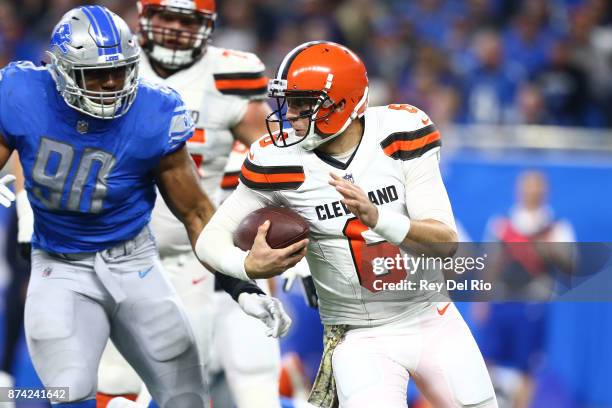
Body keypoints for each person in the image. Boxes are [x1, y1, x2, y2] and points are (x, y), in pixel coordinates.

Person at [0, 6, 288, 408]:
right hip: (61, 262)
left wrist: (239, 284)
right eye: (97, 74)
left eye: (121, 70)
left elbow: (196, 213)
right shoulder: (19, 92)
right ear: (62, 71)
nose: (113, 84)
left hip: (134, 260)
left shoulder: (154, 110)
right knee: (69, 390)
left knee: (187, 392)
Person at [197, 41, 498, 408]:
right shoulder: (275, 160)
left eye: (303, 104)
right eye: (288, 102)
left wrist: (378, 218)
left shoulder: (400, 132)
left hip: (431, 318)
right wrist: (247, 267)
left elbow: (445, 242)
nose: (289, 115)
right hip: (359, 334)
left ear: (343, 104)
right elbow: (209, 240)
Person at [89, 1, 289, 407]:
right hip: (111, 249)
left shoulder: (231, 75)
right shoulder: (105, 62)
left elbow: (283, 158)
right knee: (111, 377)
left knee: (185, 383)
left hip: (190, 255)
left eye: (188, 20)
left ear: (209, 26)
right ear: (144, 16)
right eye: (166, 16)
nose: (176, 28)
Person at [477, 170, 575, 408]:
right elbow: (489, 264)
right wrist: (482, 300)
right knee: (486, 361)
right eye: (527, 186)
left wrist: (550, 250)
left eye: (536, 186)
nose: (531, 192)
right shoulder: (501, 223)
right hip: (501, 302)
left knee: (527, 368)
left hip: (533, 305)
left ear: (544, 190)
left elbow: (571, 265)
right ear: (518, 190)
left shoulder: (556, 227)